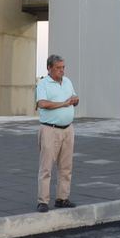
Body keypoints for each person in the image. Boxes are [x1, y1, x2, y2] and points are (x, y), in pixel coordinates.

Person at [35, 54, 79, 212]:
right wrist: (64, 104)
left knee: (66, 167)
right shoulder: (43, 84)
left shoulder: (67, 81)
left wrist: (75, 100)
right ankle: (43, 201)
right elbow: (42, 103)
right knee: (46, 167)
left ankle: (62, 198)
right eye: (58, 68)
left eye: (63, 67)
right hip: (50, 129)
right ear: (49, 68)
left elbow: (73, 97)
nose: (62, 71)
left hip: (68, 129)